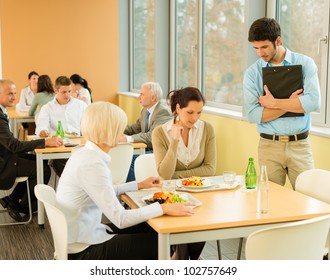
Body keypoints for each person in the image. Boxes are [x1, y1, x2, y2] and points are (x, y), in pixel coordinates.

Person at [56, 101, 195, 260]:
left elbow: (104, 191)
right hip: (84, 249)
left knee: (152, 227)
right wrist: (164, 208)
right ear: (109, 130)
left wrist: (139, 184)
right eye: (119, 127)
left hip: (83, 234)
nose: (122, 131)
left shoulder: (84, 154)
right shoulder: (92, 165)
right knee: (163, 242)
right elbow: (120, 219)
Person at [243, 17, 320, 190]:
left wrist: (273, 103)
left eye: (264, 47)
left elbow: (313, 103)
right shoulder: (252, 73)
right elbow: (253, 115)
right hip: (268, 146)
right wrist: (293, 103)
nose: (260, 53)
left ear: (278, 40)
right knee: (268, 201)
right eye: (256, 48)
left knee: (307, 201)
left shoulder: (305, 63)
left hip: (300, 145)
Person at [0, 79, 63, 222]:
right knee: (42, 170)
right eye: (10, 94)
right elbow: (14, 146)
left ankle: (13, 200)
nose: (14, 97)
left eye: (15, 93)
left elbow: (11, 145)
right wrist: (45, 142)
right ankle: (23, 207)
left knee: (40, 164)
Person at [152, 86, 217, 259]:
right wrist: (174, 141)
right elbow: (165, 173)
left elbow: (210, 169)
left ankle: (179, 260)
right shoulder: (160, 133)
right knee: (184, 217)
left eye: (199, 113)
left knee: (201, 218)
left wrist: (178, 176)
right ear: (178, 109)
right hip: (173, 196)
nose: (195, 118)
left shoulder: (207, 129)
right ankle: (182, 260)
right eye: (190, 112)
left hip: (202, 195)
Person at [35, 76, 88, 176]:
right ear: (56, 90)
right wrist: (43, 131)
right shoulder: (47, 108)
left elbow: (91, 123)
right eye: (64, 92)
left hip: (78, 146)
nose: (67, 95)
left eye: (69, 91)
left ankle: (78, 186)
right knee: (61, 163)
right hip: (58, 148)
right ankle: (73, 186)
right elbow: (41, 126)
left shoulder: (81, 105)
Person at [119, 82, 171, 182]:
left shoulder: (162, 111)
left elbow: (153, 136)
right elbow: (134, 129)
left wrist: (127, 138)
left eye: (142, 94)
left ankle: (131, 191)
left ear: (153, 98)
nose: (139, 97)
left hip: (159, 151)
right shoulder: (145, 110)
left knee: (131, 159)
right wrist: (115, 130)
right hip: (147, 148)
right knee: (123, 156)